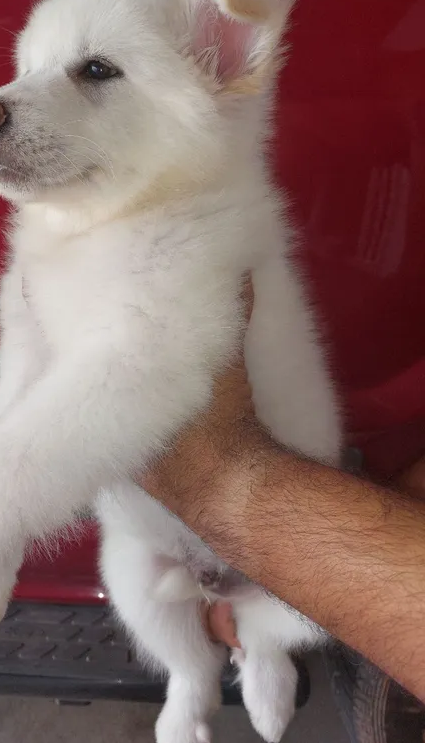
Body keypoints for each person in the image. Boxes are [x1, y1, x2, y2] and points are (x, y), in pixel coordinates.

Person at [140, 286, 425, 740]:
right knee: (138, 580)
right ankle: (192, 678)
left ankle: (259, 645)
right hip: (177, 531)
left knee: (306, 614)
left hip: (264, 499)